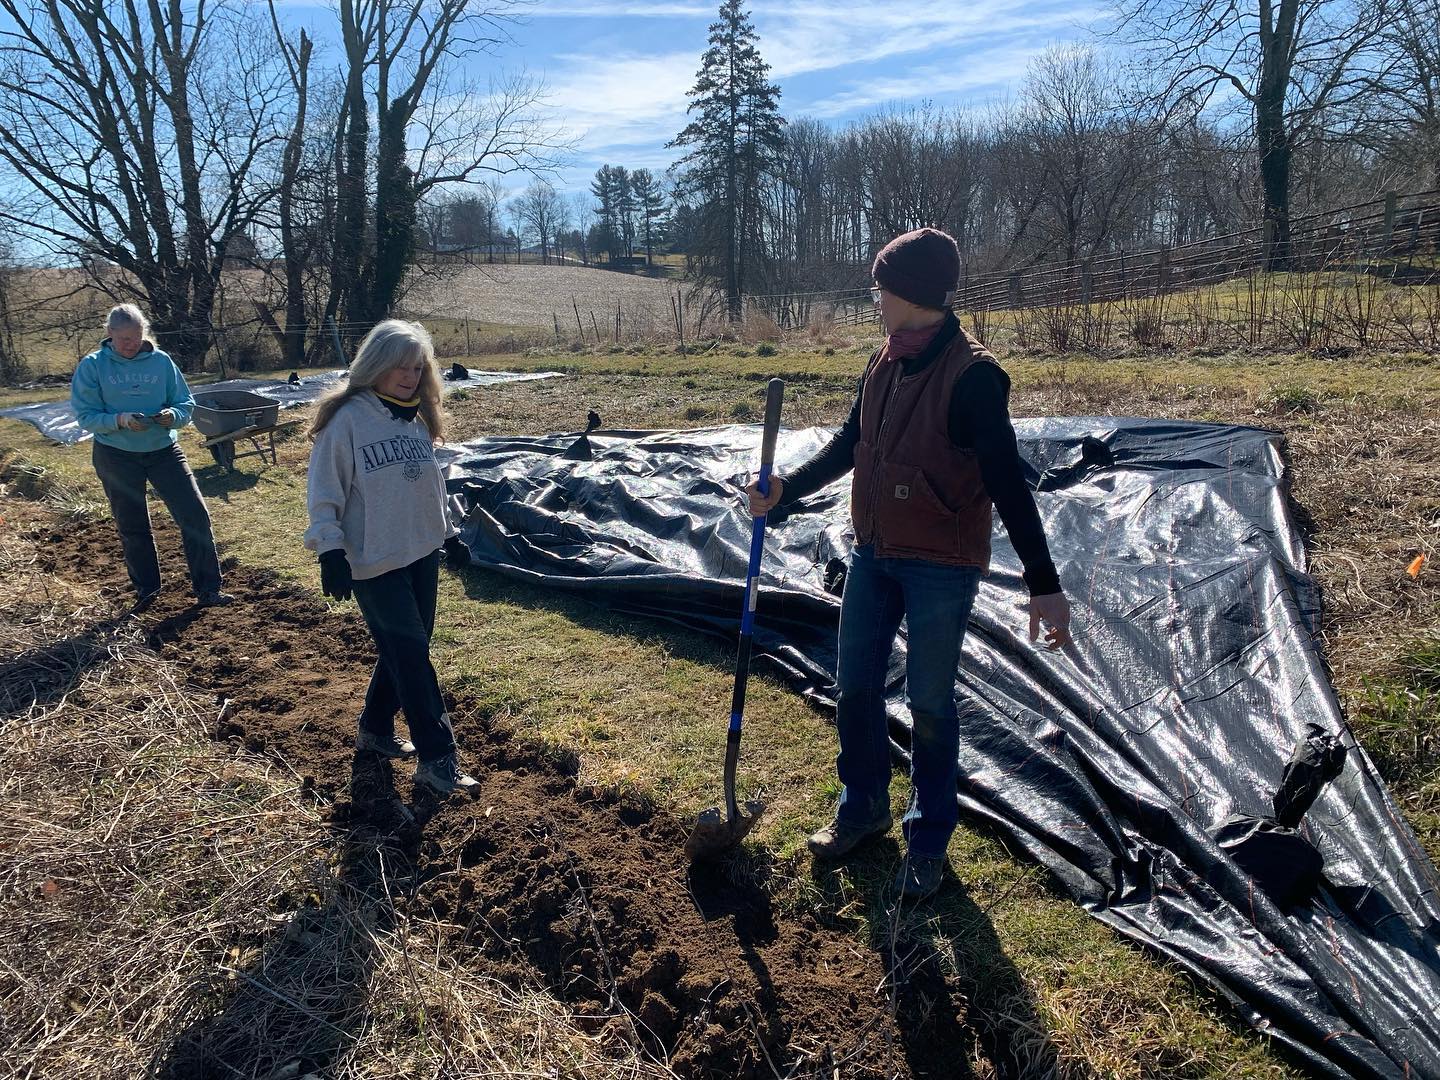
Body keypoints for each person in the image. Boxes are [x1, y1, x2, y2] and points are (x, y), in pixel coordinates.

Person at [746, 228, 1073, 904]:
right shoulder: (885, 359)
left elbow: (1008, 483)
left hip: (940, 565)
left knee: (928, 703)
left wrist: (1043, 583)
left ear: (912, 293)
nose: (876, 299)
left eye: (881, 288)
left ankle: (927, 840)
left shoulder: (974, 376)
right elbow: (850, 443)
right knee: (855, 686)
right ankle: (862, 807)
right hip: (873, 552)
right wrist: (787, 492)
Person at [304, 319, 476, 796]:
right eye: (401, 366)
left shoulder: (414, 418)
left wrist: (448, 533)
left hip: (420, 551)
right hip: (373, 560)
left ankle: (375, 729)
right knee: (412, 656)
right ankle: (438, 760)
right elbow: (323, 490)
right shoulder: (346, 420)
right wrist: (329, 549)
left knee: (406, 650)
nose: (410, 376)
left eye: (417, 368)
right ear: (375, 364)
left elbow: (429, 486)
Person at [70, 304, 233, 612]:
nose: (130, 345)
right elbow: (85, 415)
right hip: (116, 455)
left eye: (135, 337)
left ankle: (209, 589)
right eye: (123, 339)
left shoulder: (161, 362)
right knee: (133, 525)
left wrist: (173, 415)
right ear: (109, 334)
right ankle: (147, 591)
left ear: (143, 333)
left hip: (163, 451)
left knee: (195, 515)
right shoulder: (93, 366)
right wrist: (120, 420)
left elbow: (185, 402)